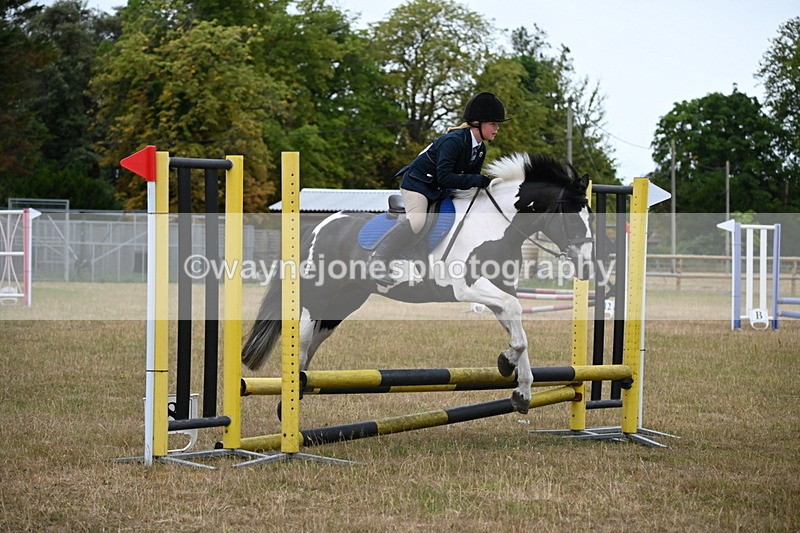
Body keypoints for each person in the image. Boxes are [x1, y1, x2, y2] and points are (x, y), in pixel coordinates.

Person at [369, 91, 512, 282]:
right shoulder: (453, 141)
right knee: (417, 221)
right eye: (493, 124)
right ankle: (379, 260)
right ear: (477, 123)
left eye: (497, 124)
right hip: (417, 184)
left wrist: (488, 187)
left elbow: (471, 179)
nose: (497, 129)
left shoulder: (479, 149)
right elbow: (445, 177)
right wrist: (478, 181)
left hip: (438, 188)